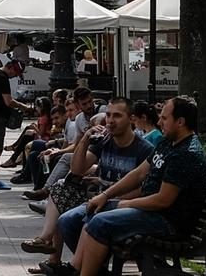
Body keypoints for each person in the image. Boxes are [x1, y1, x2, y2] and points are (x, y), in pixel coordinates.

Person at [41, 95, 206, 276]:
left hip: (167, 221)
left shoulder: (185, 153)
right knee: (70, 220)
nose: (159, 121)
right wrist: (106, 195)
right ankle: (92, 269)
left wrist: (126, 203)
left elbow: (163, 200)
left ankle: (79, 271)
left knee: (99, 222)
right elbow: (138, 173)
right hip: (148, 210)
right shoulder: (168, 143)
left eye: (164, 117)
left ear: (180, 122)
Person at [23, 98, 154, 256]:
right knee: (61, 188)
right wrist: (85, 139)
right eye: (108, 115)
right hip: (97, 198)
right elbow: (77, 169)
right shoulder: (105, 140)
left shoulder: (144, 149)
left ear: (131, 119)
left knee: (71, 219)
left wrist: (109, 198)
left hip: (121, 203)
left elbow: (144, 189)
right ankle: (51, 250)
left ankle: (77, 264)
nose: (111, 121)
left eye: (117, 116)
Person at [0, 58, 34, 190]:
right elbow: (8, 101)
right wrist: (23, 107)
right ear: (10, 67)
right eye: (15, 73)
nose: (15, 76)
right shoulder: (2, 78)